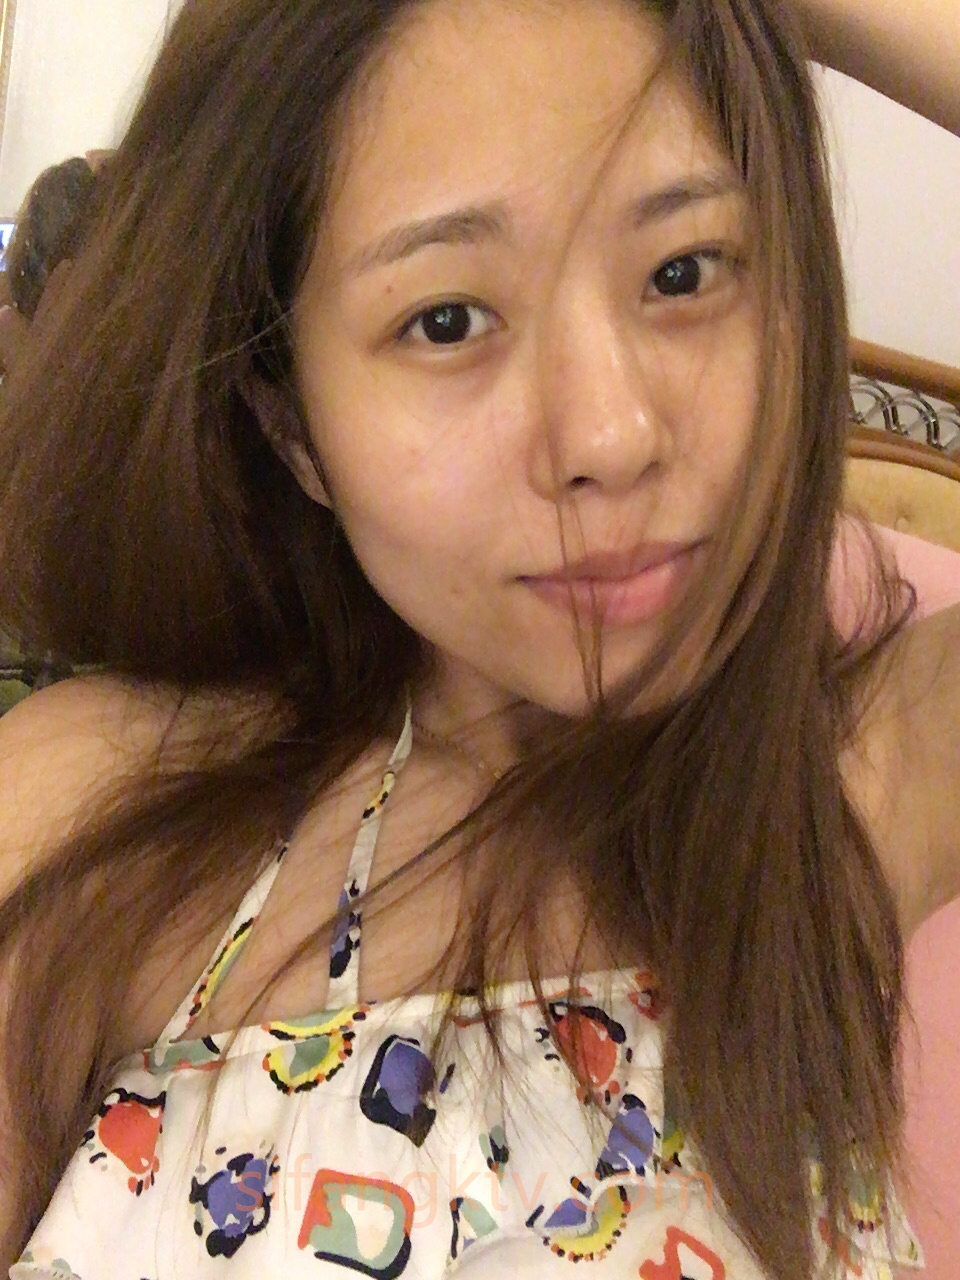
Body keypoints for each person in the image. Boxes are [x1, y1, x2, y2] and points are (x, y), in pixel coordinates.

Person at [0, 0, 957, 1276]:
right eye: (446, 320)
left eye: (683, 272)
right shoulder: (90, 820)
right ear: (293, 427)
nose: (611, 434)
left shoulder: (843, 791)